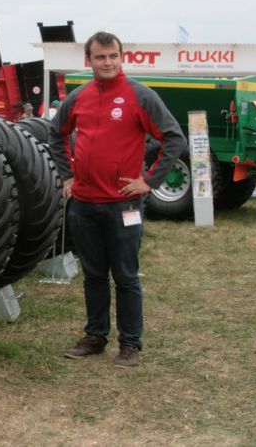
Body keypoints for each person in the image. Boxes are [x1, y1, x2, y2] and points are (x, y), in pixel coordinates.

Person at [48, 32, 186, 368]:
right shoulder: (78, 98)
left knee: (125, 276)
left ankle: (130, 345)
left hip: (123, 205)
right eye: (100, 57)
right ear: (89, 61)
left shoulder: (139, 96)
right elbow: (56, 134)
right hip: (83, 204)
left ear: (122, 58)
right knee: (93, 275)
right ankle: (95, 337)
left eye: (112, 56)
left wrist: (148, 181)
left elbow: (173, 138)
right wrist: (67, 175)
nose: (107, 62)